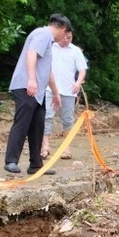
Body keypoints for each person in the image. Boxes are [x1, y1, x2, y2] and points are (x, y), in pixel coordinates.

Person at [3, 14, 71, 175]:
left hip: (37, 92)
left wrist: (55, 93)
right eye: (65, 33)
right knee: (22, 123)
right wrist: (32, 79)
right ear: (61, 28)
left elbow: (47, 71)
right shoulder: (43, 34)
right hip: (27, 87)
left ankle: (36, 164)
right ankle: (11, 161)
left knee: (37, 125)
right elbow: (31, 54)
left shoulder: (47, 39)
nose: (64, 38)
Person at [42, 28, 88, 158]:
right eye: (64, 37)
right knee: (47, 117)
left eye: (70, 37)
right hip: (50, 89)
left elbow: (82, 69)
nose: (67, 40)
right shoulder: (51, 48)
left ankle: (66, 148)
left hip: (69, 90)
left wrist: (78, 82)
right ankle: (45, 146)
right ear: (59, 35)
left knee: (67, 120)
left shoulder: (76, 51)